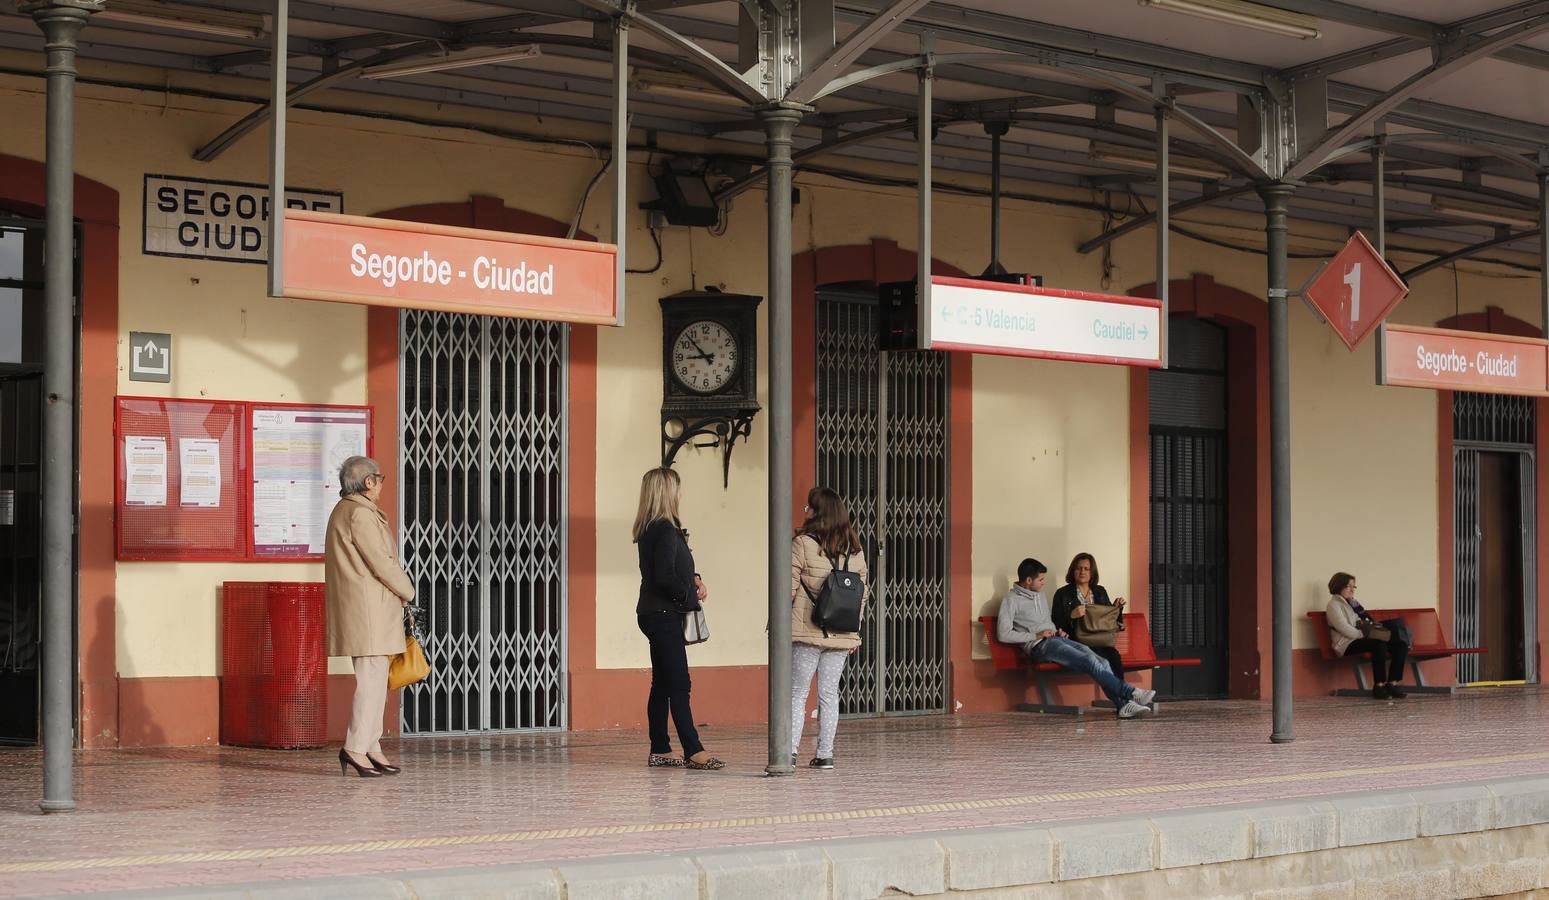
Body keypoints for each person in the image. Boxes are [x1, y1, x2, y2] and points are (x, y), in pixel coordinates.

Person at [325, 455, 415, 778]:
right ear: (368, 482)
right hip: (367, 612)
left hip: (370, 610)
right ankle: (354, 747)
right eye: (380, 479)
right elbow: (381, 562)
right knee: (370, 682)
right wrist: (409, 591)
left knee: (377, 682)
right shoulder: (358, 514)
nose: (381, 485)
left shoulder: (350, 511)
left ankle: (370, 745)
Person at [633, 467, 724, 770]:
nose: (681, 494)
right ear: (668, 492)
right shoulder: (664, 529)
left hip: (653, 612)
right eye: (678, 488)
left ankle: (660, 748)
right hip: (663, 613)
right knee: (679, 683)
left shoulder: (654, 529)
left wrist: (694, 576)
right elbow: (665, 576)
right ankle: (693, 750)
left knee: (662, 683)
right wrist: (689, 597)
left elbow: (672, 565)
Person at [997, 558, 1155, 718]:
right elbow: (1003, 633)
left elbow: (1047, 623)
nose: (1044, 582)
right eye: (1041, 579)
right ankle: (1131, 692)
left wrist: (1057, 630)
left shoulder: (1040, 596)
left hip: (1057, 640)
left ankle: (1123, 705)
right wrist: (1034, 635)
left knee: (1103, 661)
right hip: (1040, 646)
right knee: (1090, 661)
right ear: (1029, 580)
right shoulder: (1011, 601)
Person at [790, 487, 870, 770]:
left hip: (807, 632)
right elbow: (861, 594)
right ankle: (825, 754)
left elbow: (787, 589)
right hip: (841, 633)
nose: (806, 511)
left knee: (798, 693)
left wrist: (776, 624)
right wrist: (854, 632)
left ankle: (789, 751)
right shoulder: (856, 550)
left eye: (808, 507)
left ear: (817, 512)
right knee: (829, 694)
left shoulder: (802, 544)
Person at [1326, 572, 1410, 700]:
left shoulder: (1353, 603)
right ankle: (1379, 686)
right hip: (1346, 643)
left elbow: (1366, 620)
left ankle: (1392, 683)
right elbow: (1343, 628)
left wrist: (1369, 628)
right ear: (1339, 586)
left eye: (1354, 587)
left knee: (1400, 645)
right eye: (1349, 586)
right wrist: (1364, 634)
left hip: (1362, 637)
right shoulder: (1334, 605)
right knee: (1378, 645)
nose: (1352, 590)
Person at [1051, 552, 1127, 679]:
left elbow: (1109, 621)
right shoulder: (1062, 593)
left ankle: (1124, 695)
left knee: (1113, 656)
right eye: (1078, 568)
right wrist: (1071, 615)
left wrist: (1116, 608)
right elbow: (1055, 621)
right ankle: (1123, 695)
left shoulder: (1100, 591)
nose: (1082, 572)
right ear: (1073, 571)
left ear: (1092, 572)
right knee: (1100, 660)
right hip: (1076, 642)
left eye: (1086, 569)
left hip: (1100, 640)